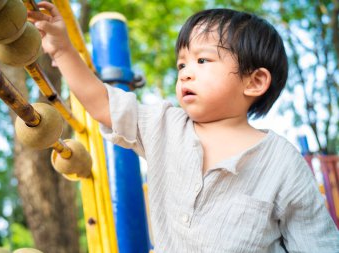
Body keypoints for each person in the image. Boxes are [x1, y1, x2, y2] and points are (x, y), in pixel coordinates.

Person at [28, 2, 339, 252]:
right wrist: (62, 49)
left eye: (202, 61)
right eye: (181, 64)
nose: (186, 73)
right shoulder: (165, 125)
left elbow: (316, 240)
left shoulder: (282, 162)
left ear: (254, 81)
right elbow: (102, 104)